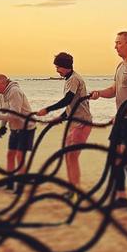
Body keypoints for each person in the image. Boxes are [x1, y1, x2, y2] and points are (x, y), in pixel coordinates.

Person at [91, 31, 127, 212]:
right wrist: (99, 93)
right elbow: (114, 90)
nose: (115, 46)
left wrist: (122, 113)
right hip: (122, 119)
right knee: (115, 158)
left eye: (118, 43)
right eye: (115, 43)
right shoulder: (120, 66)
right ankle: (122, 197)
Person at [36, 52, 93, 200]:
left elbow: (67, 100)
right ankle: (72, 188)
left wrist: (47, 109)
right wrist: (60, 118)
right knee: (68, 157)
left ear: (66, 66)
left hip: (82, 123)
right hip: (74, 124)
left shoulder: (74, 79)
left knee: (72, 157)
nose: (57, 70)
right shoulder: (69, 79)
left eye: (58, 67)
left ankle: (75, 190)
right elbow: (71, 107)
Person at [0, 74, 37, 193]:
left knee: (20, 157)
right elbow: (4, 111)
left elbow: (15, 114)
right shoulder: (1, 94)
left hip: (26, 128)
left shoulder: (14, 92)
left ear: (5, 83)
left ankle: (21, 185)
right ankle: (10, 183)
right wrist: (2, 126)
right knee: (10, 155)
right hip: (15, 128)